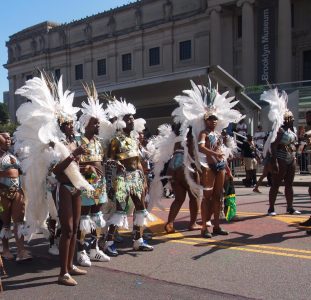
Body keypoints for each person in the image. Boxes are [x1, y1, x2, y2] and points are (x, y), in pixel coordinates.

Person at [104, 99, 154, 256]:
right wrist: (116, 165)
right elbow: (109, 160)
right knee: (120, 210)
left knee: (141, 208)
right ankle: (109, 242)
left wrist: (143, 178)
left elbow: (138, 160)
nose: (132, 120)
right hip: (122, 179)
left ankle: (138, 241)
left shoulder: (134, 139)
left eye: (132, 118)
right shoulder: (116, 140)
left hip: (136, 178)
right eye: (128, 118)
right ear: (121, 121)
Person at [76, 85, 110, 267]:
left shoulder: (98, 142)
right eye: (94, 123)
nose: (98, 125)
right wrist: (86, 167)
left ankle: (94, 249)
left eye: (98, 122)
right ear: (86, 124)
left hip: (100, 183)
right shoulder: (78, 141)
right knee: (84, 218)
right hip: (86, 184)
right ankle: (81, 251)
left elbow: (101, 161)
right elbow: (73, 164)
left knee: (97, 217)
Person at [260, 88, 301, 216]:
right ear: (286, 120)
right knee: (276, 184)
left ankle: (290, 207)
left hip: (291, 157)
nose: (292, 120)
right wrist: (274, 161)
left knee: (289, 184)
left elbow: (294, 143)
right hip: (281, 157)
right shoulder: (280, 131)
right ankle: (271, 208)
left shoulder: (292, 130)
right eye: (290, 119)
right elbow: (273, 146)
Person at [0, 132, 31, 262]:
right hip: (2, 193)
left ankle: (21, 250)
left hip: (17, 192)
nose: (8, 139)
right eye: (5, 137)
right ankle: (5, 249)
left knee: (19, 222)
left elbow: (22, 171)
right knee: (5, 223)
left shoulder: (13, 154)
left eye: (9, 138)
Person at [164, 126, 201, 233]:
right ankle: (193, 223)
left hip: (173, 165)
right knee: (195, 196)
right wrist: (195, 167)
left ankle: (170, 223)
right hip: (185, 164)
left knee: (179, 198)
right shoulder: (191, 133)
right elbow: (192, 150)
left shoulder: (175, 135)